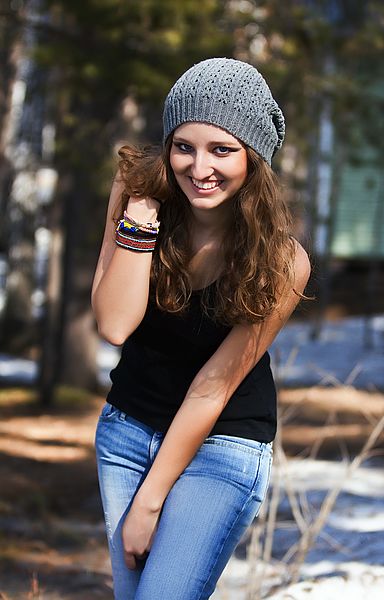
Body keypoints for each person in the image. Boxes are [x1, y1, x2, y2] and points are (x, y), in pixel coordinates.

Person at [91, 57, 311, 600]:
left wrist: (150, 501)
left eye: (222, 150)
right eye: (184, 145)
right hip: (127, 433)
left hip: (222, 445)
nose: (199, 166)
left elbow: (213, 387)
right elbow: (115, 324)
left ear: (253, 159)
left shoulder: (283, 262)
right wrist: (140, 222)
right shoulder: (136, 198)